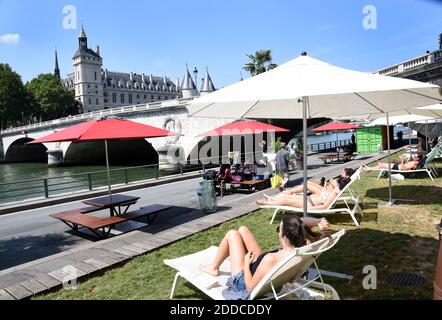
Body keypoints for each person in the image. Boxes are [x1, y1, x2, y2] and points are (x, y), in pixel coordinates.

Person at [199, 215, 330, 297]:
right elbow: (302, 222)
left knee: (232, 234)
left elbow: (250, 287)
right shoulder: (302, 247)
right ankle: (233, 255)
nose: (278, 232)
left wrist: (245, 262)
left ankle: (213, 267)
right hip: (262, 265)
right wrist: (318, 221)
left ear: (284, 235)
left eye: (279, 229)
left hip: (244, 280)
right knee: (242, 230)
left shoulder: (271, 259)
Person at [256, 177, 352, 210]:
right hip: (308, 200)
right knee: (290, 198)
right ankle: (272, 199)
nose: (334, 181)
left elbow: (325, 207)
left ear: (338, 184)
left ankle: (265, 203)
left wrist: (309, 209)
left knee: (286, 200)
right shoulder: (335, 190)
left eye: (336, 181)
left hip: (309, 203)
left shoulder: (334, 193)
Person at [282, 168, 355, 197]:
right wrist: (333, 182)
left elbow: (336, 188)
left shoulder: (344, 181)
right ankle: (292, 192)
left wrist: (333, 182)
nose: (341, 173)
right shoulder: (343, 179)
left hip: (325, 193)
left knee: (306, 185)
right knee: (308, 182)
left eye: (343, 172)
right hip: (325, 189)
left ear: (347, 176)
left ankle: (289, 191)